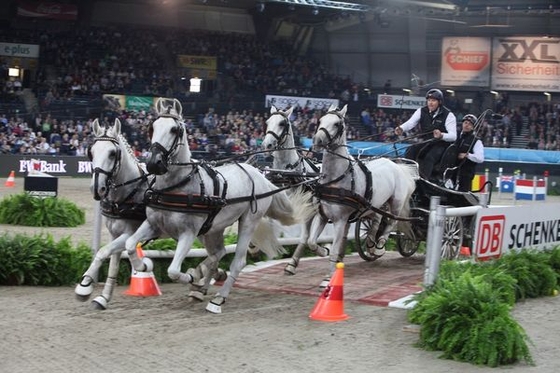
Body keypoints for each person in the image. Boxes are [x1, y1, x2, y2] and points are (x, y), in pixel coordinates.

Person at [394, 88, 457, 180]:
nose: (430, 103)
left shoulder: (449, 115)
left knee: (429, 157)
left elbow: (453, 136)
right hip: (427, 141)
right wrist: (401, 128)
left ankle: (423, 181)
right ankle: (409, 176)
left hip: (441, 144)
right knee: (410, 150)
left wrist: (442, 135)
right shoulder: (421, 111)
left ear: (439, 102)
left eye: (433, 100)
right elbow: (410, 123)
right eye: (429, 100)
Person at [453, 114, 484, 192]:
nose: (467, 125)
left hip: (466, 174)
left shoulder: (476, 141)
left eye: (470, 124)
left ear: (473, 127)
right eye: (465, 123)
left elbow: (480, 158)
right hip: (452, 172)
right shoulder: (455, 136)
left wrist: (467, 155)